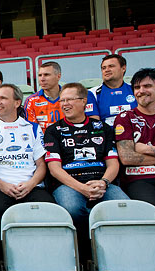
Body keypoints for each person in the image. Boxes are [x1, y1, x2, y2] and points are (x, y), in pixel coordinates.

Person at [0, 84, 54, 249]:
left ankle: (46, 254)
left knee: (49, 210)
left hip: (31, 186)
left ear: (17, 103)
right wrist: (3, 185)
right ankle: (3, 262)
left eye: (3, 98)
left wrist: (31, 184)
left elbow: (41, 165)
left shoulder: (32, 128)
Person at [43, 83, 127, 229]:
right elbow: (54, 169)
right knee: (72, 209)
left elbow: (113, 163)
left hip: (101, 182)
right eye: (62, 100)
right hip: (69, 184)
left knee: (125, 208)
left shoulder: (103, 128)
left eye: (70, 99)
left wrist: (103, 182)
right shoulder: (53, 130)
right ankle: (85, 248)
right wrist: (82, 188)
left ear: (83, 101)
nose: (65, 104)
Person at [114, 68, 155, 213]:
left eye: (147, 86)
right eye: (137, 87)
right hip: (138, 179)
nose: (141, 91)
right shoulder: (125, 117)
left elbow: (136, 153)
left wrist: (146, 149)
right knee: (151, 210)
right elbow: (127, 158)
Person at [86, 54, 136, 125]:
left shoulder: (135, 89)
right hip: (107, 134)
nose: (107, 70)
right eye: (104, 68)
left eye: (111, 66)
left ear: (123, 68)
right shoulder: (92, 93)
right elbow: (95, 125)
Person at [25, 61, 63, 131]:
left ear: (58, 76)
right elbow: (32, 129)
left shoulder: (70, 97)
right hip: (43, 140)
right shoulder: (31, 100)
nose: (42, 79)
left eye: (46, 75)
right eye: (40, 75)